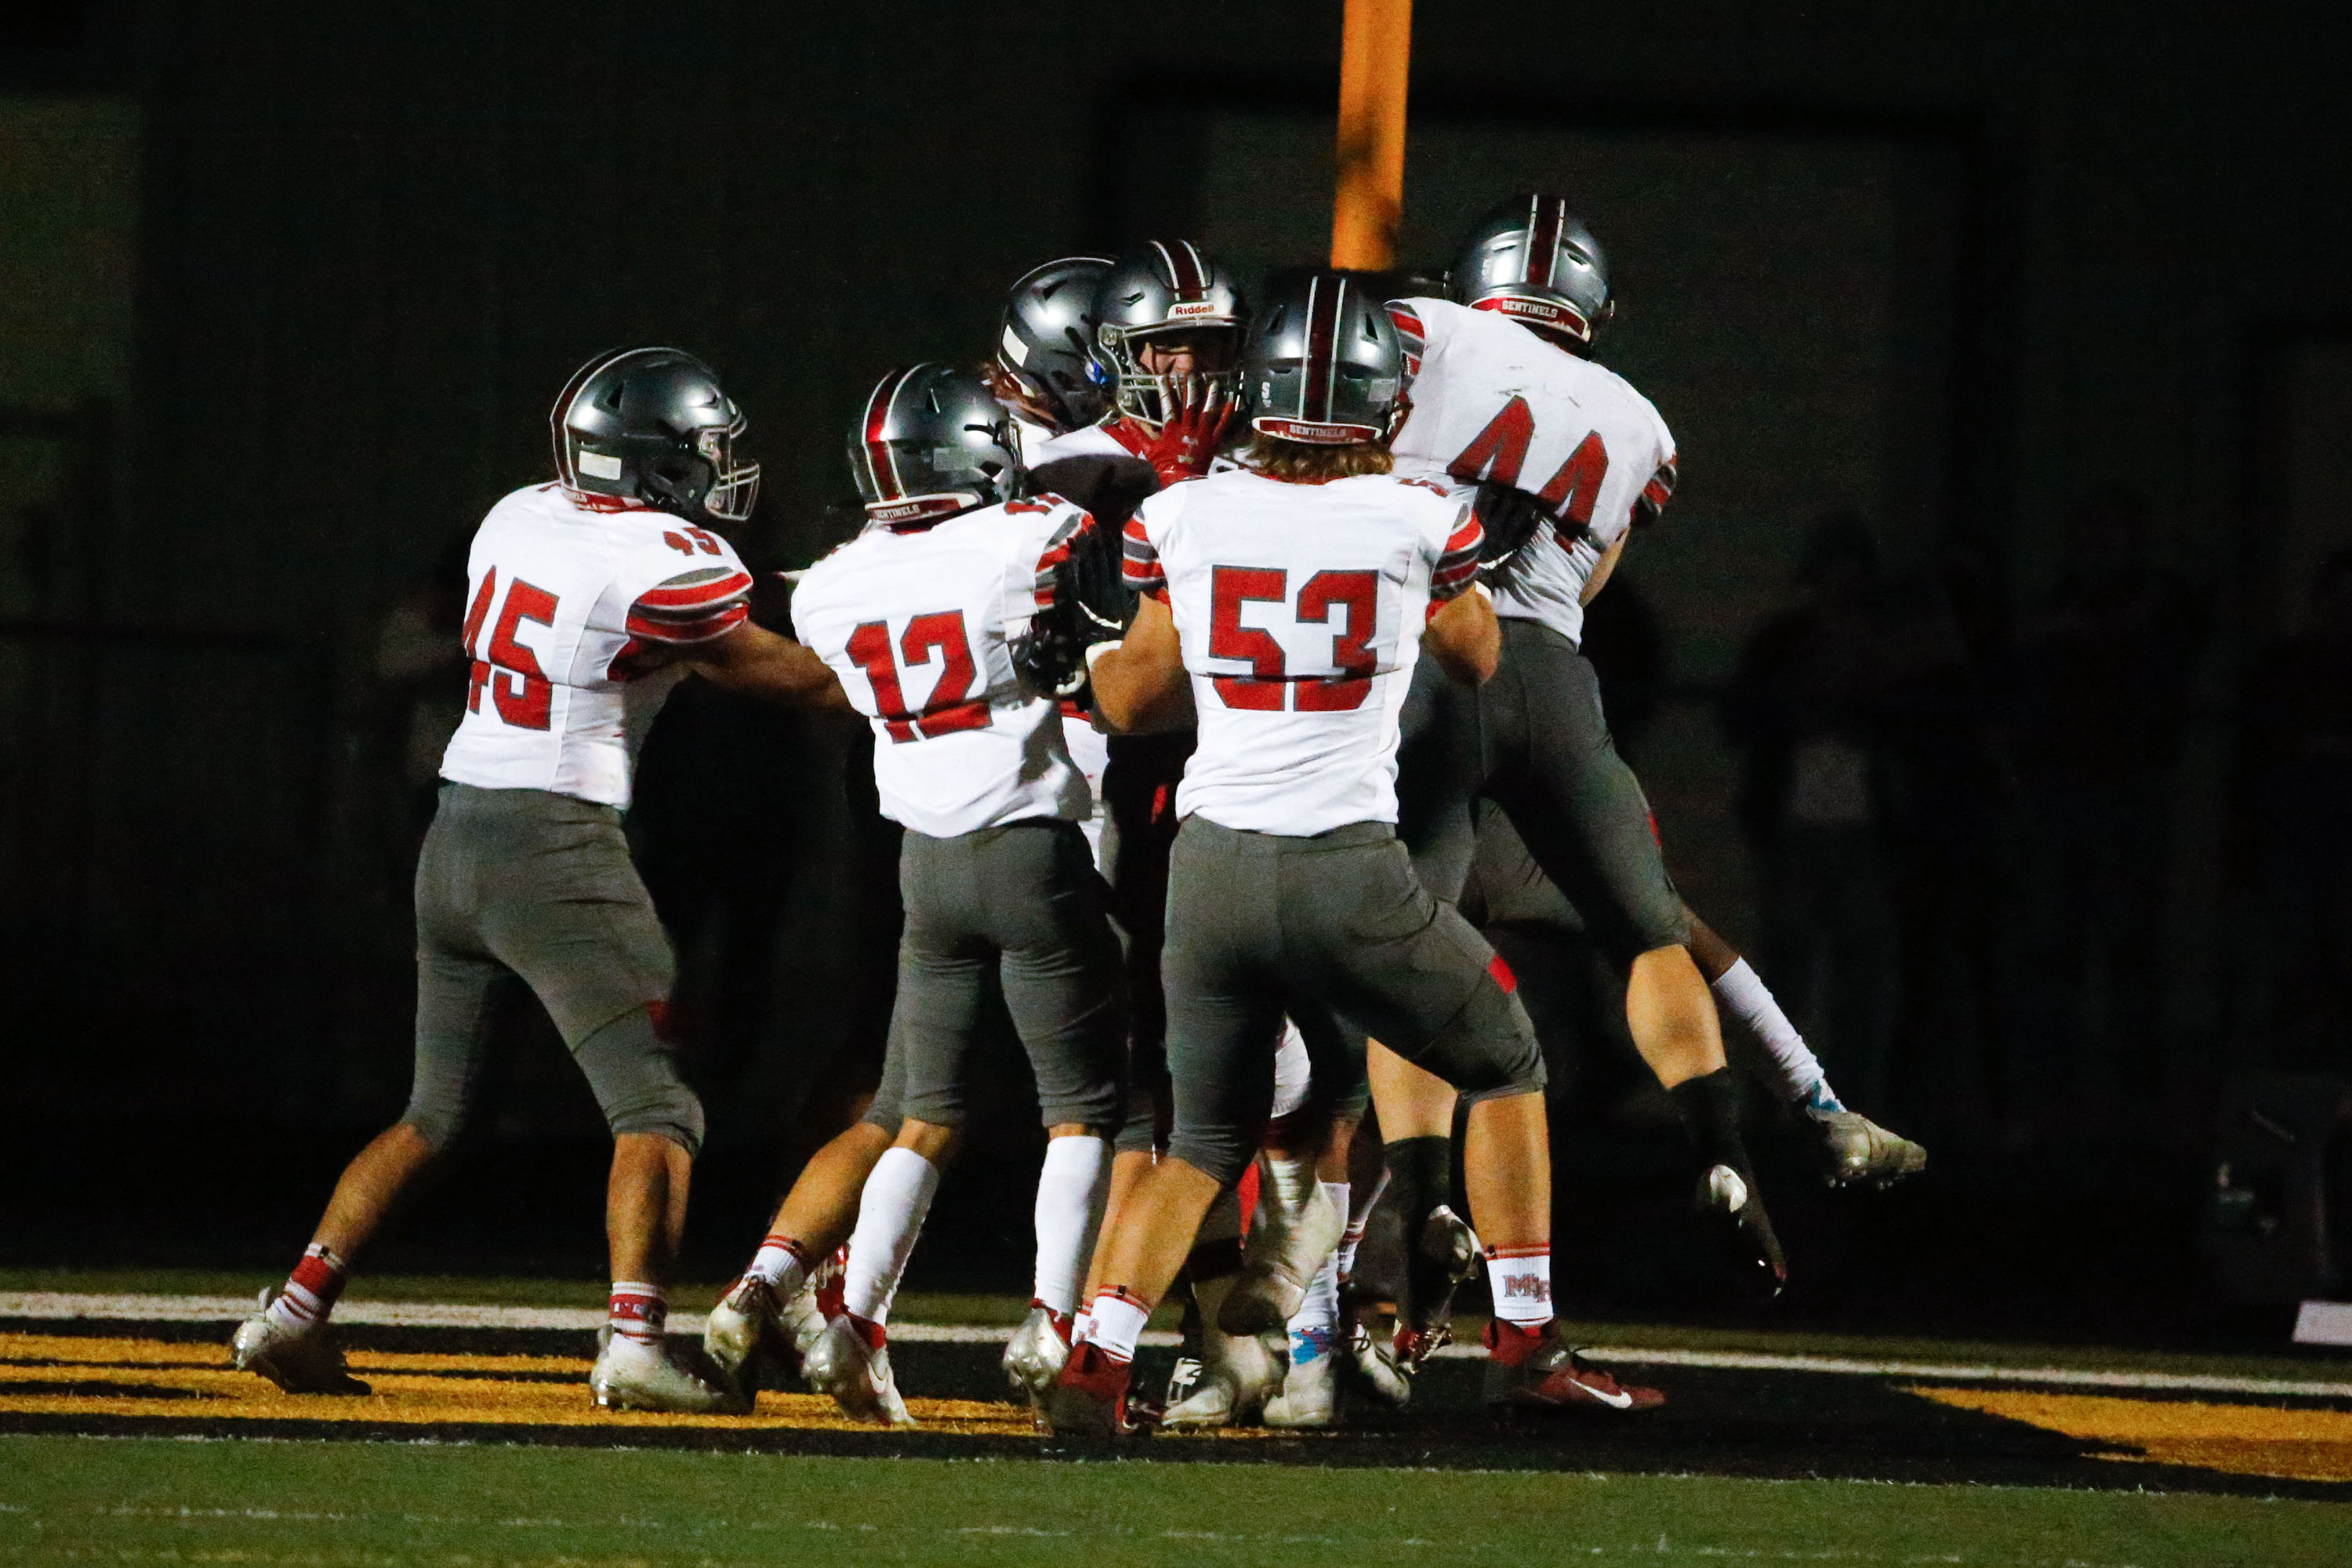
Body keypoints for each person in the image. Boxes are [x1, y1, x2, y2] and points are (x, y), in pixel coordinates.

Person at [1048, 271, 1665, 1435]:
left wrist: (1087, 655)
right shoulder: (1423, 514)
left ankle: (1097, 1359)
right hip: (1348, 866)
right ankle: (1526, 1335)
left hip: (1213, 866)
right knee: (1509, 1059)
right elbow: (1481, 660)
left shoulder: (1182, 513)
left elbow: (1131, 702)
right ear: (1386, 400)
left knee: (1197, 1141)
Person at [230, 347, 844, 1412]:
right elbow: (783, 675)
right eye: (703, 452)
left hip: (456, 831)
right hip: (555, 848)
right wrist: (923, 663)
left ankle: (290, 1313)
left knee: (435, 1112)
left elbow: (660, 625)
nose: (722, 469)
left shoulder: (519, 515)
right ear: (649, 461)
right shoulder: (667, 560)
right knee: (660, 1109)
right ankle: (637, 1344)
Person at [716, 365, 1128, 1428]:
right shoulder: (1035, 532)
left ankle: (853, 1317)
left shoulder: (836, 582)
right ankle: (1051, 1321)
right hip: (1035, 845)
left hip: (924, 867)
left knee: (921, 1113)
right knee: (1080, 1114)